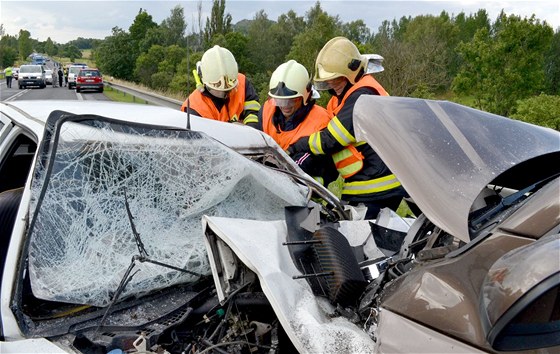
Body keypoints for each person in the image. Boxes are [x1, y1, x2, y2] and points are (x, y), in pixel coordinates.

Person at [288, 37, 406, 219]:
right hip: (364, 182)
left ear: (350, 74)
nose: (332, 85)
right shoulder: (344, 98)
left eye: (336, 79)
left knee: (349, 234)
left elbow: (331, 140)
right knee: (336, 223)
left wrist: (298, 145)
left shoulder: (362, 96)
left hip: (377, 185)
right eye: (329, 81)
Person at [251, 60, 338, 185]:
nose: (285, 107)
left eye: (292, 101)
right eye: (280, 101)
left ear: (305, 97)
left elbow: (322, 167)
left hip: (305, 191)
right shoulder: (266, 111)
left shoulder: (320, 120)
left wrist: (284, 170)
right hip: (268, 180)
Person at [181, 45, 260, 124]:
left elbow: (253, 110)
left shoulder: (242, 82)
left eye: (228, 89)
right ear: (203, 82)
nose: (224, 94)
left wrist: (250, 128)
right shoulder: (194, 108)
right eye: (218, 90)